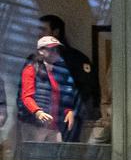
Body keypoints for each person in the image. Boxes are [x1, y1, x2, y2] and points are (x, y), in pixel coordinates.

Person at [35, 14, 99, 142]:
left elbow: (86, 92)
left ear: (56, 32)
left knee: (66, 156)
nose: (39, 34)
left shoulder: (76, 60)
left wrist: (73, 112)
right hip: (40, 120)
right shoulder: (36, 60)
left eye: (43, 29)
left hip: (68, 120)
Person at [17, 35, 79, 151]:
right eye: (51, 49)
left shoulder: (59, 71)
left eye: (56, 49)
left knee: (55, 156)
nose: (55, 52)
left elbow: (65, 94)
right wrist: (38, 112)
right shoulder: (31, 69)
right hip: (35, 124)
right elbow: (26, 96)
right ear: (41, 51)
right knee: (34, 156)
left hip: (54, 124)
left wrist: (68, 110)